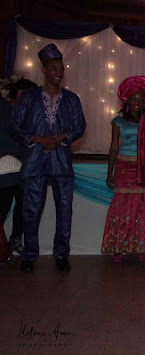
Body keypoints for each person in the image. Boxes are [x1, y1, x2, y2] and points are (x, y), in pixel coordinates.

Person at [10, 44, 87, 273]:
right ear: (44, 70)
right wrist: (38, 139)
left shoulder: (72, 99)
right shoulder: (29, 98)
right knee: (31, 210)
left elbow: (80, 126)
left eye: (61, 68)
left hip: (62, 161)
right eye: (53, 68)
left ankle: (62, 254)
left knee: (65, 210)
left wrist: (62, 136)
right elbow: (14, 127)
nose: (58, 72)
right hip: (35, 160)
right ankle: (30, 254)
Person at [101, 76, 145, 262]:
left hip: (142, 168)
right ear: (127, 100)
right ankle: (118, 247)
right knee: (121, 207)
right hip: (123, 168)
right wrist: (110, 173)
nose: (137, 103)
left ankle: (142, 245)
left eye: (140, 100)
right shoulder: (118, 122)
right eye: (134, 100)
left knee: (142, 207)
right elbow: (114, 147)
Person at [1, 78, 38, 258]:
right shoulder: (5, 111)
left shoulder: (35, 115)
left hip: (27, 169)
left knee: (25, 208)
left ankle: (16, 240)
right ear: (14, 98)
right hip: (6, 169)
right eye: (23, 97)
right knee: (3, 206)